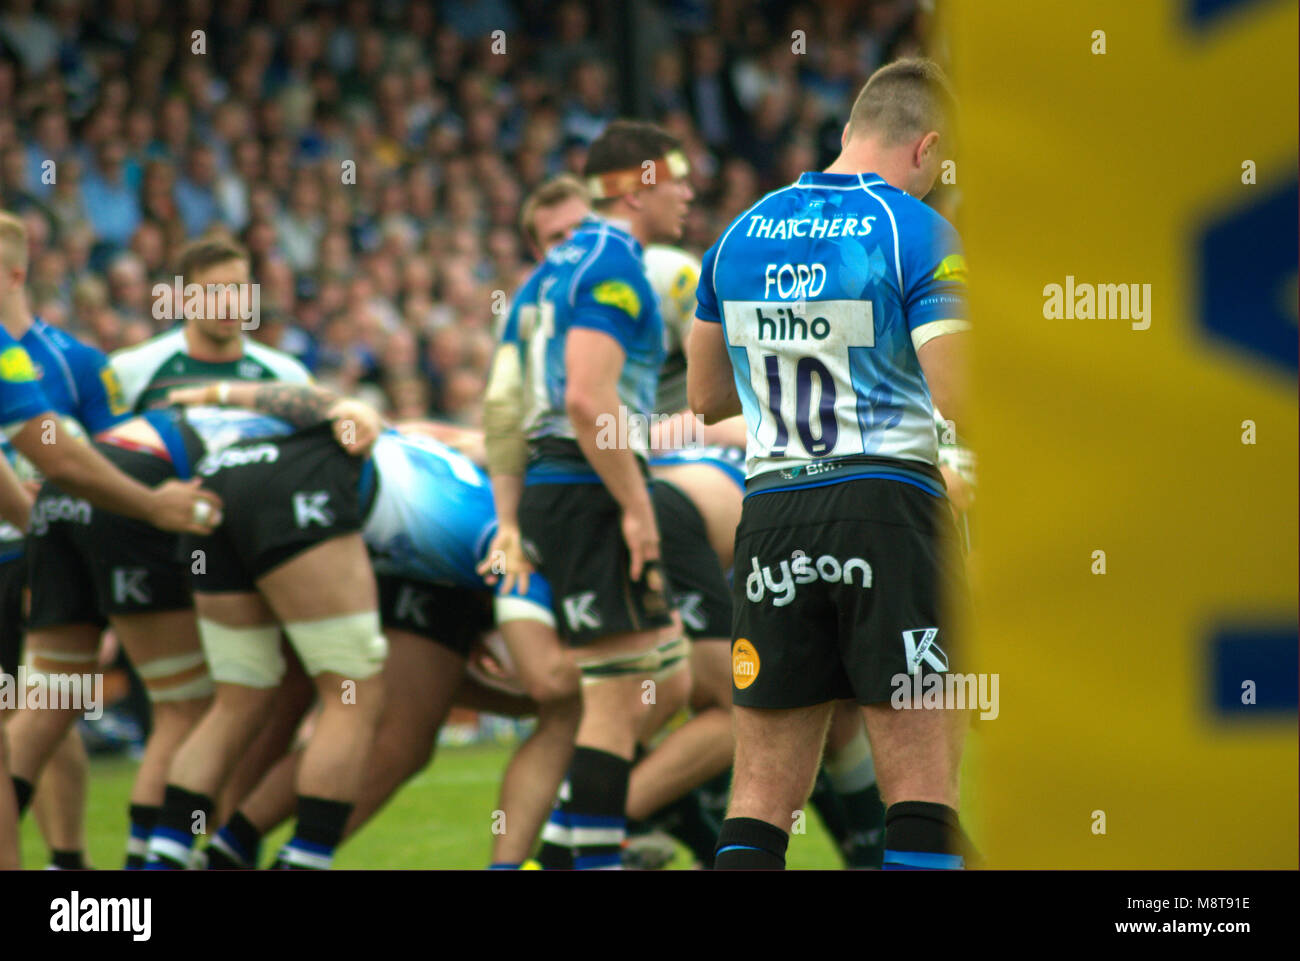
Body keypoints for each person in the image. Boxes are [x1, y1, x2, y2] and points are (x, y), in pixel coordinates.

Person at [687, 58, 974, 870]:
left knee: (759, 796)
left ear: (849, 131)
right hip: (887, 507)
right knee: (920, 790)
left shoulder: (739, 232)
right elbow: (958, 394)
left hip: (773, 513)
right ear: (927, 147)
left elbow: (706, 397)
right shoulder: (913, 229)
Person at [489, 128, 698, 869]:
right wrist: (636, 505)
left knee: (666, 677)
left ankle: (569, 847)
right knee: (616, 697)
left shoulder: (548, 273)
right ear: (637, 188)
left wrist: (510, 518)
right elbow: (586, 399)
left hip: (558, 484)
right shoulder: (614, 267)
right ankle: (588, 857)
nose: (688, 193)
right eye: (676, 179)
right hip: (588, 487)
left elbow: (502, 402)